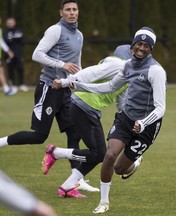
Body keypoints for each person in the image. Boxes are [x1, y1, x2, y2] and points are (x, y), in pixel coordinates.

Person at [0, 0, 98, 193]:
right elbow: (37, 54)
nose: (72, 13)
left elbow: (77, 64)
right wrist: (62, 65)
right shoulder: (55, 30)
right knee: (39, 136)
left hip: (65, 90)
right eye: (67, 10)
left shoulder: (79, 35)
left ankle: (76, 180)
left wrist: (79, 83)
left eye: (74, 9)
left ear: (78, 12)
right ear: (61, 12)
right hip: (48, 88)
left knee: (74, 132)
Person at [67, 27, 167, 213]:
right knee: (109, 155)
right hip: (126, 119)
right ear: (132, 45)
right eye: (139, 43)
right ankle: (104, 202)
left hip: (148, 127)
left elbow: (160, 107)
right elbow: (110, 87)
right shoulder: (127, 66)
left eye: (146, 45)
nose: (141, 48)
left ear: (151, 49)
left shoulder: (156, 71)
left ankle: (133, 161)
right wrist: (79, 86)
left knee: (120, 168)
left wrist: (144, 122)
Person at [42, 55, 133, 198]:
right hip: (82, 106)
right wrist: (65, 82)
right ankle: (56, 153)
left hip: (89, 110)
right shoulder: (118, 65)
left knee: (98, 154)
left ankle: (67, 186)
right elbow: (90, 73)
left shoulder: (129, 78)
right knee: (100, 154)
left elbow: (121, 105)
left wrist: (130, 123)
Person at [3, 17, 29, 92]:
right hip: (9, 54)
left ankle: (21, 84)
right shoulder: (5, 32)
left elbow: (22, 40)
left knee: (20, 68)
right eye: (9, 23)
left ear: (14, 23)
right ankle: (12, 85)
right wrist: (14, 39)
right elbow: (5, 41)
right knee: (10, 69)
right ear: (6, 23)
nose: (10, 24)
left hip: (18, 53)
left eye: (12, 22)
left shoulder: (18, 30)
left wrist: (12, 39)